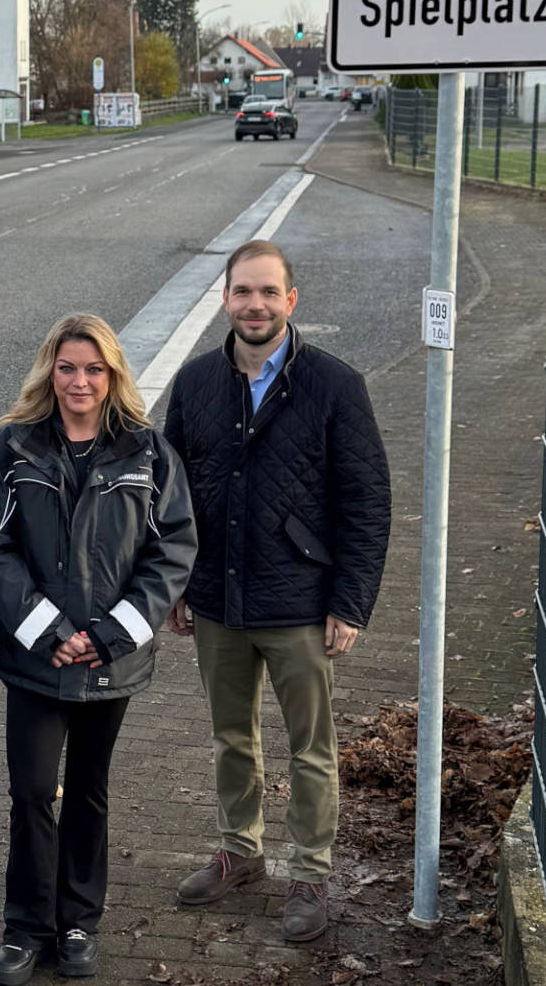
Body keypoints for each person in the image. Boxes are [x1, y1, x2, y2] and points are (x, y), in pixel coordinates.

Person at [165, 239, 392, 942]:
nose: (255, 304)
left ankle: (311, 872)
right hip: (217, 601)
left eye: (268, 292)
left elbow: (367, 498)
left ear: (291, 301)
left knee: (310, 746)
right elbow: (168, 496)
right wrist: (174, 582)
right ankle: (241, 850)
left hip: (300, 600)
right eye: (242, 292)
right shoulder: (196, 383)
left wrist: (349, 600)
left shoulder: (333, 384)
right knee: (231, 735)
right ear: (225, 299)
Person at [0, 313, 198, 986]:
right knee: (33, 789)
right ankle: (25, 925)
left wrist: (108, 633)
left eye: (94, 369)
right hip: (36, 656)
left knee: (89, 790)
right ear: (50, 371)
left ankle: (77, 922)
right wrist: (45, 626)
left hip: (110, 659)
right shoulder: (12, 449)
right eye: (68, 367)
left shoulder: (147, 452)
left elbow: (173, 548)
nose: (80, 380)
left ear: (113, 375)